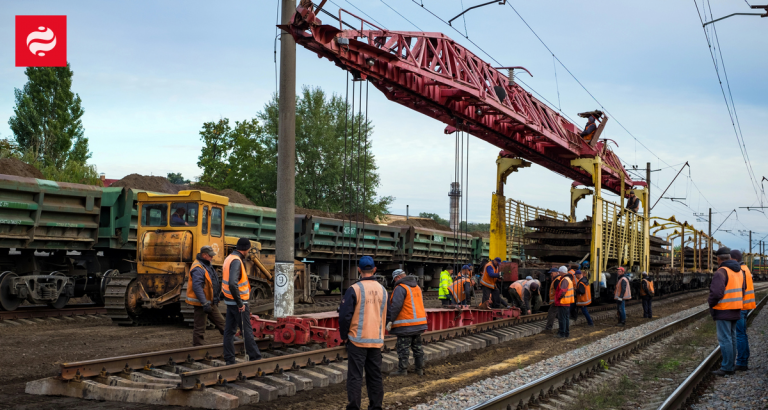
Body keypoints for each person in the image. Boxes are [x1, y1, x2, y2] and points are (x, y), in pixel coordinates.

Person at [339, 256, 387, 410]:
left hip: (357, 341)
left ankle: (354, 407)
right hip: (376, 341)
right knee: (375, 376)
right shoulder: (383, 290)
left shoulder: (354, 289)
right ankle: (376, 406)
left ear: (359, 270)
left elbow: (345, 316)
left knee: (355, 376)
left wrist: (344, 336)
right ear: (374, 270)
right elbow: (389, 315)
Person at [222, 238, 262, 364]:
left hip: (229, 301)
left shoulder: (229, 258)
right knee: (247, 331)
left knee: (229, 332)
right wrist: (240, 303)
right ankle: (255, 358)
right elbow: (233, 284)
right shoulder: (237, 261)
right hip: (238, 303)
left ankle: (229, 359)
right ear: (247, 249)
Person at [708, 247, 744, 376]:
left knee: (725, 339)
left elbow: (716, 293)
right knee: (732, 338)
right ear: (729, 257)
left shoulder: (721, 272)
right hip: (736, 308)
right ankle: (731, 365)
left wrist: (711, 303)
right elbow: (743, 289)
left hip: (723, 309)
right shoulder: (739, 271)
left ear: (718, 259)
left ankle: (727, 367)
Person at [386, 269, 426, 376]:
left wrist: (391, 320)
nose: (395, 282)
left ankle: (402, 370)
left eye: (395, 279)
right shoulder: (416, 287)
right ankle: (419, 369)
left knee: (403, 347)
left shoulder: (401, 288)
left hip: (406, 325)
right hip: (419, 323)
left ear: (398, 277)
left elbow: (396, 306)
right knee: (417, 347)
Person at [186, 245, 225, 346]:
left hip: (210, 302)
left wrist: (218, 295)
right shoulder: (198, 268)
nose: (212, 257)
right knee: (200, 327)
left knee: (222, 323)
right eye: (210, 256)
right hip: (202, 303)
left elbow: (212, 282)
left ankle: (232, 339)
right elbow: (197, 287)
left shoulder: (206, 264)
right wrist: (204, 303)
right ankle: (199, 348)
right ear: (204, 255)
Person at [731, 249, 755, 372]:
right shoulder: (746, 269)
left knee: (739, 334)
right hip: (745, 306)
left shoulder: (740, 271)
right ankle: (743, 360)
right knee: (742, 334)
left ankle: (741, 362)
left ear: (734, 259)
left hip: (740, 306)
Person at [555, 267, 575, 338]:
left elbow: (563, 291)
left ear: (563, 272)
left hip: (563, 302)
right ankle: (566, 333)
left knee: (562, 318)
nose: (559, 273)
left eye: (559, 272)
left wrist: (558, 297)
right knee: (566, 318)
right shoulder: (569, 279)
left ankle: (562, 333)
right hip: (567, 302)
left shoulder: (565, 280)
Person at [543, 267, 562, 333]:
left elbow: (558, 290)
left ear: (557, 273)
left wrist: (556, 299)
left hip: (555, 300)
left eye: (552, 273)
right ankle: (562, 326)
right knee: (557, 313)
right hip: (556, 300)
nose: (551, 274)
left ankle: (548, 328)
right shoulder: (557, 279)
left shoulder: (557, 280)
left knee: (551, 313)